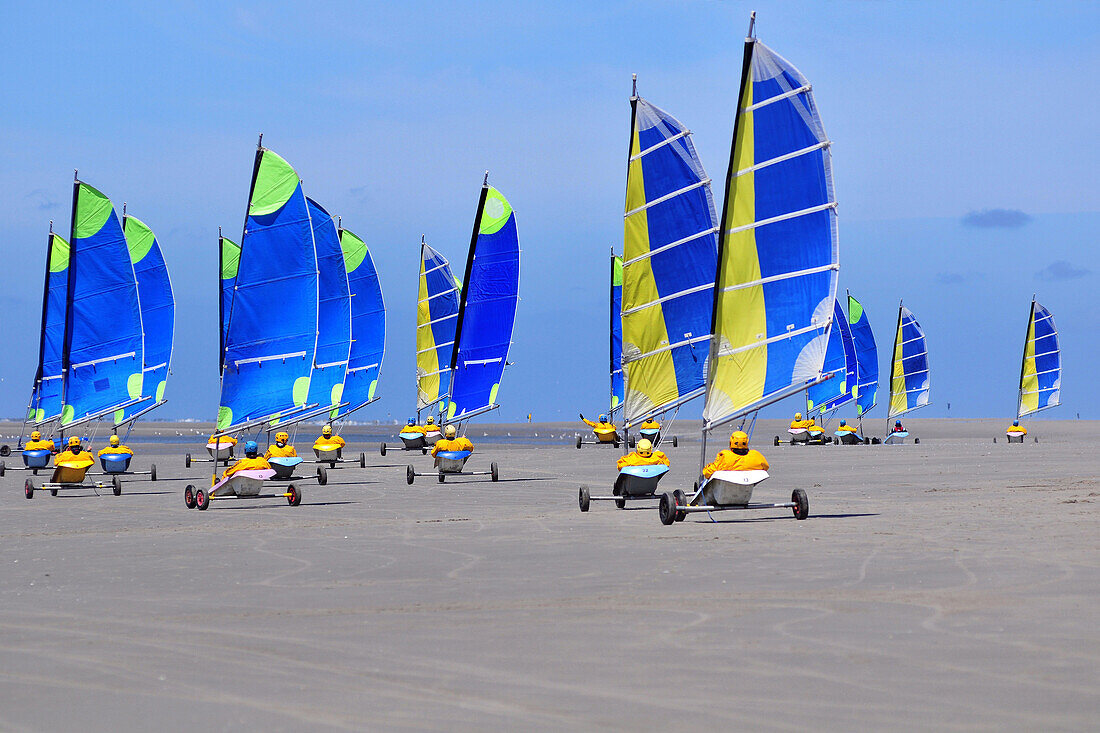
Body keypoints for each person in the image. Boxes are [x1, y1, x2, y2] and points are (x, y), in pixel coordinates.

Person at [702, 431, 769, 479]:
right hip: (746, 484)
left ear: (731, 442)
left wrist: (706, 469)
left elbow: (708, 473)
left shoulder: (725, 456)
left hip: (727, 486)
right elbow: (766, 467)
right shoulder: (756, 456)